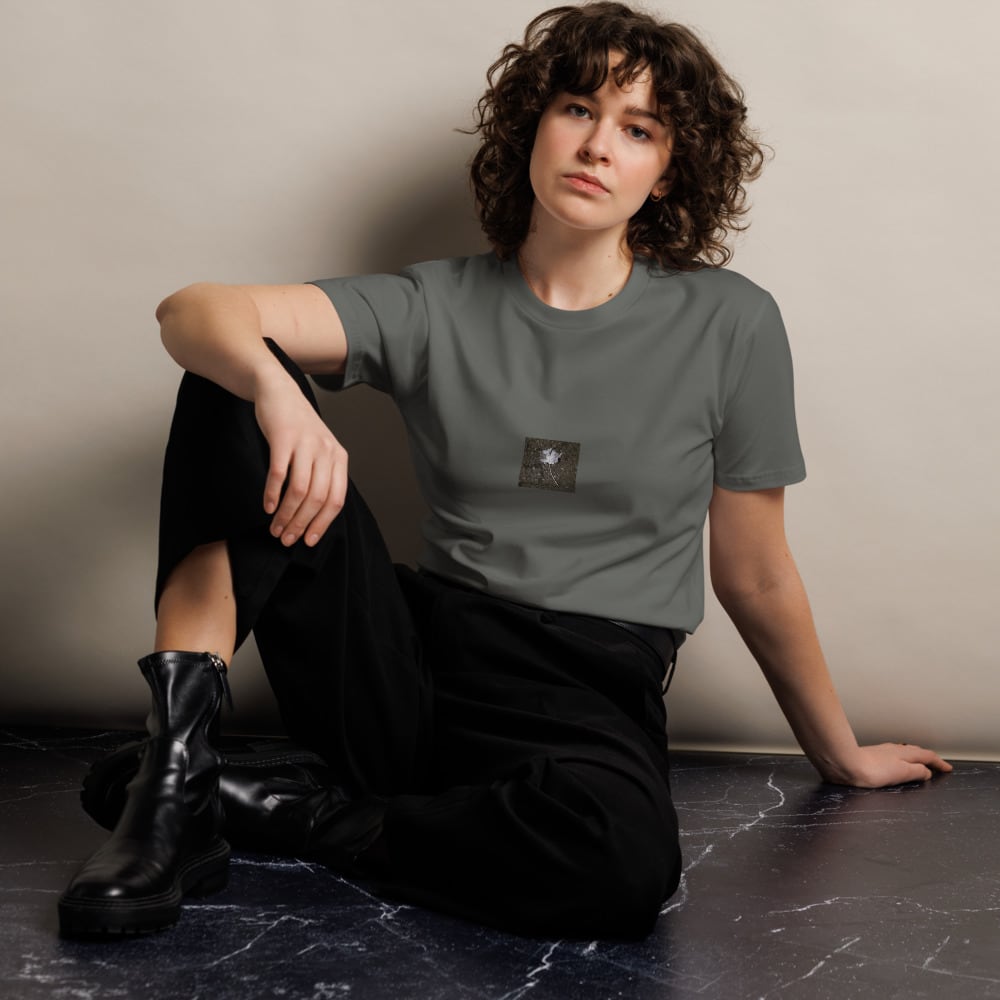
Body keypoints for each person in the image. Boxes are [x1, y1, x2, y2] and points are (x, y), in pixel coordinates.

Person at [58, 1, 951, 941]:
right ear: (534, 125)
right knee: (227, 379)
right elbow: (193, 311)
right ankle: (171, 784)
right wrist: (276, 391)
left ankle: (289, 812)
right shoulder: (435, 302)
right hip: (407, 667)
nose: (598, 145)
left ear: (668, 170)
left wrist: (838, 753)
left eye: (638, 129)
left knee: (619, 864)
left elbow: (756, 572)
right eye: (579, 109)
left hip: (585, 688)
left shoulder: (732, 323)